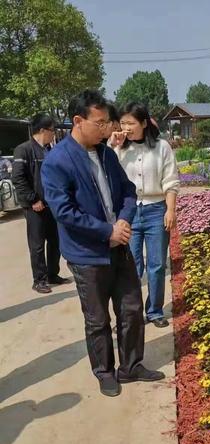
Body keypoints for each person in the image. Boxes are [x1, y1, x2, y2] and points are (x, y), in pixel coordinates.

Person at [41, 90, 164, 397]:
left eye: (108, 122)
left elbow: (127, 190)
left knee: (132, 309)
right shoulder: (57, 162)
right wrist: (105, 232)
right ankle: (105, 371)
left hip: (119, 245)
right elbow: (65, 211)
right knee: (97, 319)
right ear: (78, 121)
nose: (107, 128)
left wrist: (123, 221)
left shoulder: (107, 153)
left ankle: (131, 365)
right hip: (87, 255)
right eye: (100, 122)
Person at [110, 102, 179, 328]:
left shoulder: (162, 148)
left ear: (144, 123)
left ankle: (155, 310)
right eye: (122, 123)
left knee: (157, 264)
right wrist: (113, 148)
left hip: (155, 209)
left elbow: (171, 181)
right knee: (132, 266)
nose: (126, 127)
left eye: (131, 123)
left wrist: (170, 210)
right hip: (128, 212)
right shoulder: (118, 149)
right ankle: (131, 312)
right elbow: (107, 177)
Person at [11, 114, 68, 294]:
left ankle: (53, 274)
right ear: (43, 130)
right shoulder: (24, 150)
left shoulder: (49, 150)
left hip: (52, 204)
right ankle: (39, 279)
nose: (54, 134)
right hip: (35, 206)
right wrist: (33, 199)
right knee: (37, 245)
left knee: (54, 241)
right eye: (53, 130)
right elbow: (18, 179)